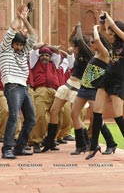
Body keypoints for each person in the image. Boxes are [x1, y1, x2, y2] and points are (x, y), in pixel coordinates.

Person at [41, 23, 93, 153]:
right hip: (68, 84)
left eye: (74, 47)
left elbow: (80, 40)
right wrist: (74, 30)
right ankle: (50, 141)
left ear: (80, 47)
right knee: (54, 110)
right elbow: (72, 40)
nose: (72, 49)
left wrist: (80, 27)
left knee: (74, 115)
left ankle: (82, 143)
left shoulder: (88, 54)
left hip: (78, 87)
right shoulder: (77, 53)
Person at [70, 24, 117, 156]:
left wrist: (96, 28)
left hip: (94, 90)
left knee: (97, 119)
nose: (91, 44)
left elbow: (96, 39)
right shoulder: (94, 54)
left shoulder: (105, 54)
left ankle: (111, 143)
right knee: (74, 113)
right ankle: (81, 145)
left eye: (92, 42)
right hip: (84, 88)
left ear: (99, 43)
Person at [0, 4, 37, 159]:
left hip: (23, 86)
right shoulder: (5, 49)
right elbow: (11, 30)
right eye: (17, 44)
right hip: (12, 85)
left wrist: (25, 20)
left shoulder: (24, 51)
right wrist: (17, 18)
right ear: (12, 43)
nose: (19, 47)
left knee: (31, 119)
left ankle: (19, 147)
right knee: (14, 116)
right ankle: (7, 148)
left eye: (21, 44)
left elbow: (33, 36)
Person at [86, 12, 124, 160]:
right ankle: (94, 145)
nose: (110, 35)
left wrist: (109, 19)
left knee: (118, 115)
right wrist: (102, 23)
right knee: (96, 111)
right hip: (107, 78)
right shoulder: (113, 44)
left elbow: (115, 29)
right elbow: (102, 32)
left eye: (112, 34)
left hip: (119, 81)